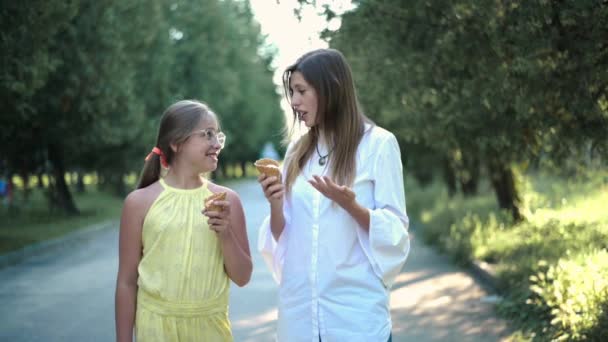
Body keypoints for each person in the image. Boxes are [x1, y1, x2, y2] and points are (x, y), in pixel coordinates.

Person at [257, 48, 410, 341]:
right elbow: (283, 237)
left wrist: (352, 207)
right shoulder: (295, 152)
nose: (294, 101)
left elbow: (395, 233)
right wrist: (276, 205)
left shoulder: (378, 144)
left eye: (301, 90)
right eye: (292, 92)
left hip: (355, 318)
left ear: (332, 89)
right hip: (299, 316)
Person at [115, 100, 252, 342]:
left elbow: (242, 277)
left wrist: (225, 233)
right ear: (176, 143)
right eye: (207, 134)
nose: (217, 143)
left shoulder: (227, 201)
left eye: (218, 135)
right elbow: (126, 283)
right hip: (156, 330)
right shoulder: (138, 203)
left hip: (211, 330)